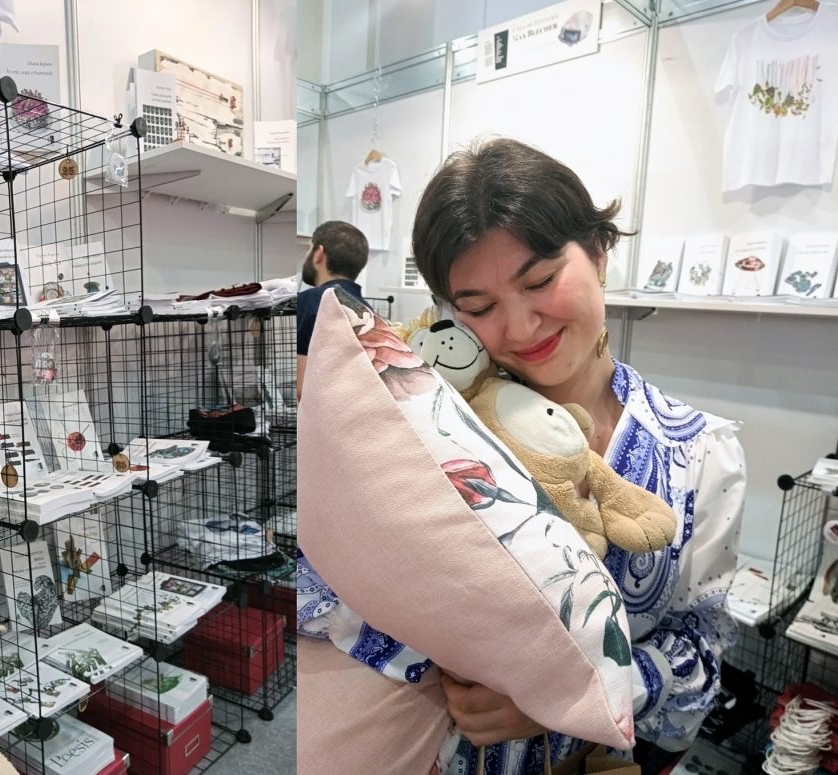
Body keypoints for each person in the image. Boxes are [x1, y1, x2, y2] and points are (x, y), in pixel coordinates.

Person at [301, 138, 746, 774]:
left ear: (598, 253)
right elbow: (334, 579)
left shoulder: (698, 451)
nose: (518, 327)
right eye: (479, 307)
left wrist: (573, 694)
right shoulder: (422, 427)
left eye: (539, 282)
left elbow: (702, 649)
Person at [296, 220, 371, 400]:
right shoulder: (367, 309)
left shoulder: (311, 301)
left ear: (318, 254)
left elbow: (302, 388)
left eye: (309, 248)